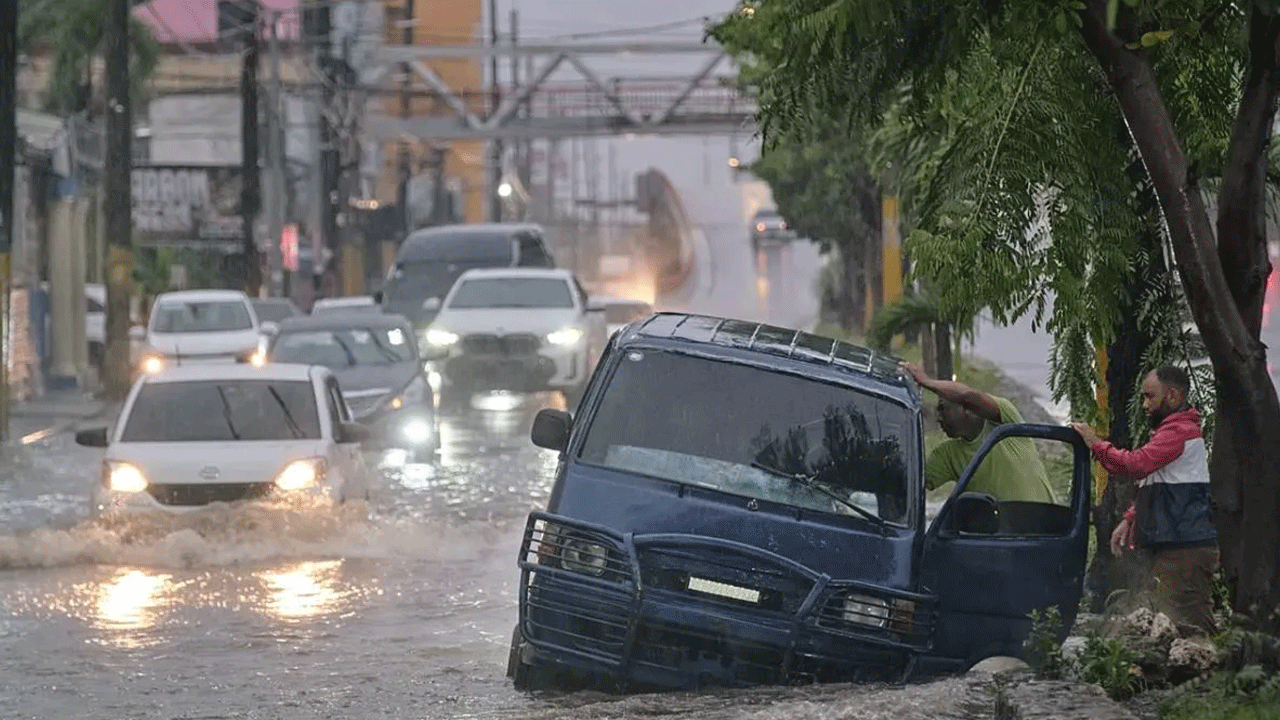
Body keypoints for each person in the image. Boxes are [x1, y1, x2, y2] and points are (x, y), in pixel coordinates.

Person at [1069, 365, 1218, 635]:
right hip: (1176, 547)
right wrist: (1130, 518)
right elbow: (1162, 483)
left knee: (1190, 631)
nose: (1144, 404)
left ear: (1172, 395)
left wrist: (1095, 443)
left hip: (1183, 550)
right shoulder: (1172, 431)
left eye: (1149, 396)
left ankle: (1221, 675)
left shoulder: (1178, 432)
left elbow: (1137, 465)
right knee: (1175, 628)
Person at [900, 362, 1059, 503]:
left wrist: (927, 382)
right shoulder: (948, 455)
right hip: (1002, 534)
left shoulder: (1005, 420)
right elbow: (912, 482)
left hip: (1044, 529)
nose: (939, 419)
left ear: (967, 409)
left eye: (943, 409)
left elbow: (968, 396)